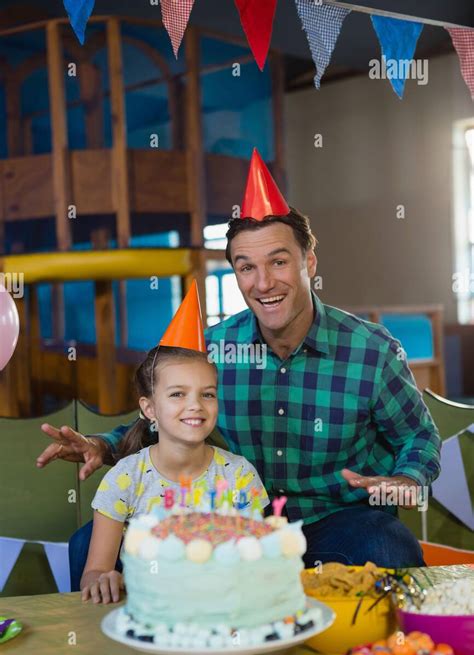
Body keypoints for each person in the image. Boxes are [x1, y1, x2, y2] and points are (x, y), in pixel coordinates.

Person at [38, 149, 441, 571]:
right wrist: (101, 445)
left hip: (338, 521)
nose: (263, 282)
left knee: (388, 544)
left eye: (279, 262)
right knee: (90, 546)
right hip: (229, 524)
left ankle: (386, 640)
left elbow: (418, 436)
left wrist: (406, 480)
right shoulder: (210, 349)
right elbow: (162, 419)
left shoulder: (371, 349)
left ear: (309, 262)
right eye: (246, 267)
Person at [80, 342, 268, 604]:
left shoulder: (239, 476)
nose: (196, 405)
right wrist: (102, 579)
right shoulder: (125, 478)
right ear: (150, 409)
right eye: (178, 394)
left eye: (208, 394)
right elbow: (93, 572)